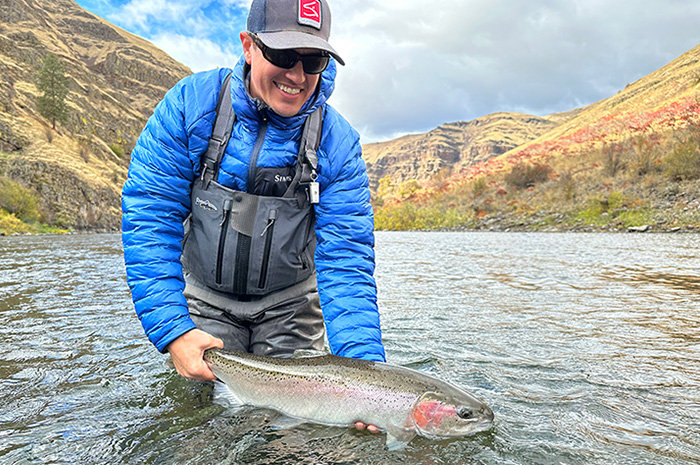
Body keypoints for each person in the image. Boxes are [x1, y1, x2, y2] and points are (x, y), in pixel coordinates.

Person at [121, 0, 385, 430]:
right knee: (195, 429)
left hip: (291, 311)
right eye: (283, 56)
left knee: (298, 441)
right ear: (248, 47)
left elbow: (346, 261)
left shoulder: (337, 143)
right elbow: (150, 217)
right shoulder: (191, 106)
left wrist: (367, 378)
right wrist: (172, 330)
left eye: (313, 60)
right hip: (203, 303)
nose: (297, 76)